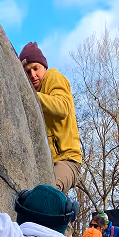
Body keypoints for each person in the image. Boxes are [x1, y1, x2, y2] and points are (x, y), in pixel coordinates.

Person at [19, 42, 82, 195]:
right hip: (45, 164)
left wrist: (32, 96)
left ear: (44, 67)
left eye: (35, 68)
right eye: (27, 72)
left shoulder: (52, 76)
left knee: (49, 195)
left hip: (67, 160)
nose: (32, 75)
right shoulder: (33, 95)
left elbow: (63, 107)